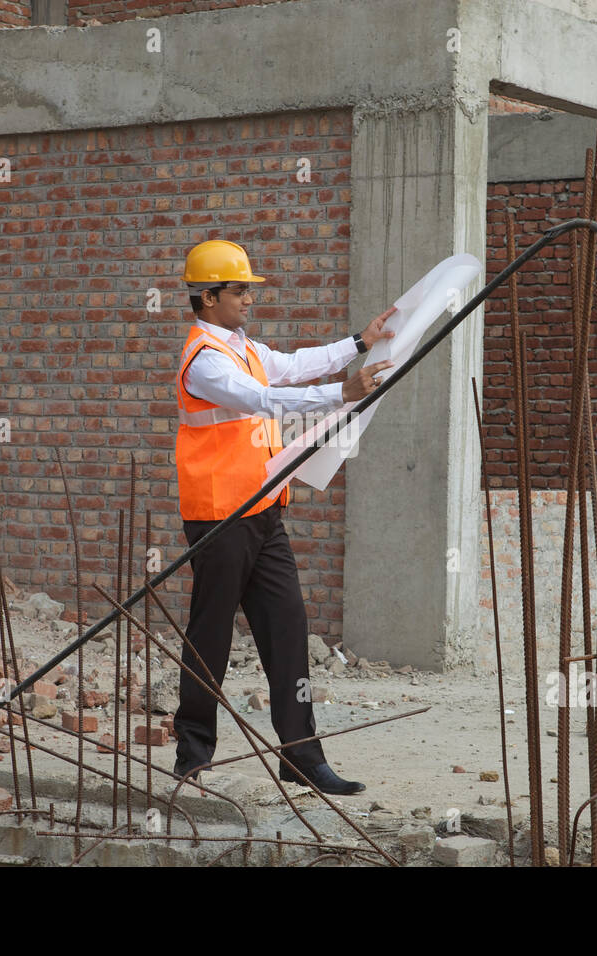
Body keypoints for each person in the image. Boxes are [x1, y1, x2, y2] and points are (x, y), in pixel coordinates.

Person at [172, 238, 394, 795]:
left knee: (288, 631)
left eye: (249, 288)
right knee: (210, 638)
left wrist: (358, 342)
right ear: (208, 297)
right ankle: (192, 755)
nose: (249, 297)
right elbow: (263, 400)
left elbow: (293, 366)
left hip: (264, 512)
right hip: (220, 519)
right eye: (240, 289)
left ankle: (300, 757)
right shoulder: (205, 361)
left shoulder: (243, 347)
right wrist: (340, 394)